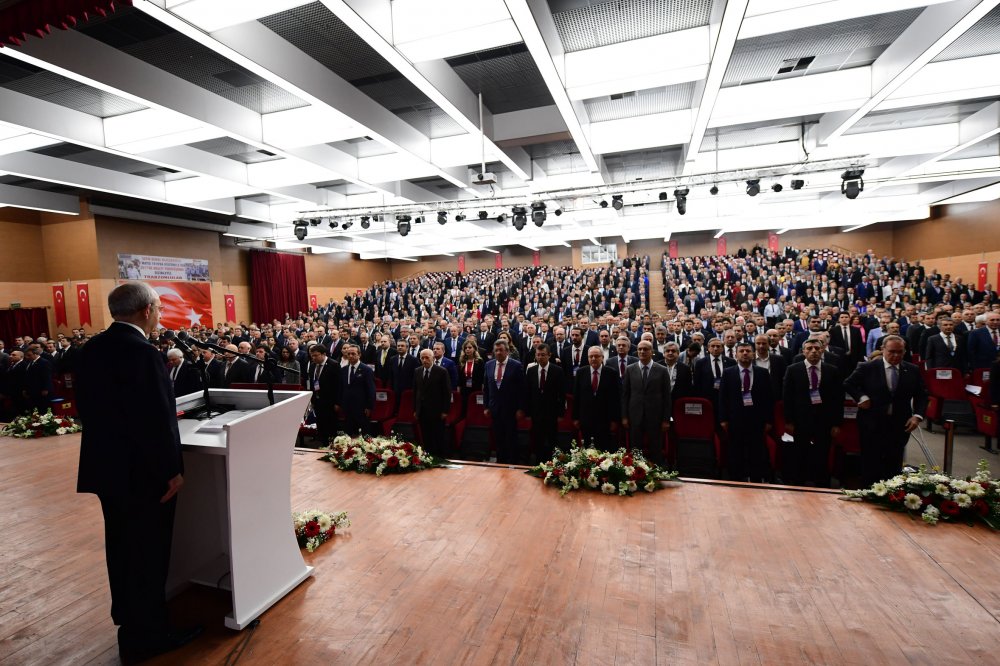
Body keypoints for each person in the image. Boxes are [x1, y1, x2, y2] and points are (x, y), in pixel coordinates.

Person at [75, 282, 202, 663]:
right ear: (146, 310)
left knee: (122, 549)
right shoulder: (143, 353)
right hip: (143, 476)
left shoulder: (90, 349)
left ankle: (129, 623)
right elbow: (155, 421)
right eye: (160, 308)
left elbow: (88, 408)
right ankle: (150, 634)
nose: (161, 314)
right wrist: (172, 470)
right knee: (148, 553)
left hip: (107, 470)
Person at [844, 335, 928, 486]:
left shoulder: (912, 370)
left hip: (899, 424)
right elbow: (849, 384)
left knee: (894, 463)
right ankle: (869, 492)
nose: (896, 355)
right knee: (871, 462)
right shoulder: (867, 367)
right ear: (882, 350)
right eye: (892, 351)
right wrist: (861, 397)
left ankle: (891, 494)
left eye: (900, 352)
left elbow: (922, 395)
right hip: (871, 423)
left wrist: (917, 416)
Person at [782, 339, 843, 487]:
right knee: (800, 453)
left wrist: (836, 423)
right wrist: (788, 421)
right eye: (809, 348)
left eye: (817, 348)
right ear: (803, 351)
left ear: (822, 350)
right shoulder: (793, 369)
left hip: (824, 420)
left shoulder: (832, 370)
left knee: (822, 453)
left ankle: (822, 483)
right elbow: (787, 397)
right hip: (800, 420)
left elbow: (838, 398)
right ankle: (799, 482)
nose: (814, 351)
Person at [719, 342, 774, 482]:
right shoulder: (728, 373)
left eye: (748, 351)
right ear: (736, 354)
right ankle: (736, 479)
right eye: (741, 351)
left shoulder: (762, 373)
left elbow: (768, 398)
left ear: (753, 354)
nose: (745, 353)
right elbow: (723, 398)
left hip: (757, 420)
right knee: (736, 451)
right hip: (735, 419)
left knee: (756, 452)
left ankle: (756, 479)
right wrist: (723, 419)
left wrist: (768, 420)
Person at [621, 341, 671, 465]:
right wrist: (624, 417)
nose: (642, 351)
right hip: (635, 415)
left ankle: (657, 474)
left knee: (655, 448)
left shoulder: (662, 370)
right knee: (635, 449)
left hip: (655, 416)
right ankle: (635, 475)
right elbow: (625, 395)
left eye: (645, 349)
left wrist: (666, 419)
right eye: (640, 349)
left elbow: (667, 397)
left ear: (652, 352)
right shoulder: (630, 369)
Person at [482, 340, 525, 463]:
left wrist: (521, 408)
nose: (498, 352)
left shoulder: (516, 365)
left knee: (511, 439)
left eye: (501, 350)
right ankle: (501, 463)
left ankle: (513, 464)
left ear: (507, 351)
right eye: (496, 350)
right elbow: (486, 388)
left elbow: (522, 389)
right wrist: (486, 407)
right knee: (498, 438)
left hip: (511, 409)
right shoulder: (489, 365)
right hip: (495, 409)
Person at [523, 344, 565, 463]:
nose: (540, 357)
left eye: (543, 355)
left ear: (549, 355)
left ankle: (553, 465)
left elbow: (561, 394)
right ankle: (539, 463)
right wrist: (527, 412)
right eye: (538, 355)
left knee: (552, 440)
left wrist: (561, 413)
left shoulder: (557, 370)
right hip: (536, 413)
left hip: (552, 412)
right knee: (537, 440)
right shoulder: (531, 370)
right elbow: (527, 392)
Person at [573, 346, 621, 450]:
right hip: (585, 418)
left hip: (605, 419)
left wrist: (614, 419)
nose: (593, 358)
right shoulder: (581, 372)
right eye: (591, 356)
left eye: (596, 356)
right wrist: (576, 417)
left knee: (604, 448)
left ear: (602, 357)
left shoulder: (611, 373)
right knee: (587, 448)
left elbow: (615, 398)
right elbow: (576, 396)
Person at [413, 349, 451, 456]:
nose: (424, 360)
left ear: (433, 358)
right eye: (422, 358)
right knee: (426, 436)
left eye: (427, 358)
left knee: (438, 436)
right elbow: (416, 392)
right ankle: (428, 457)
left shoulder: (442, 371)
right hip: (422, 411)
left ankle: (440, 457)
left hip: (437, 411)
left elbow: (447, 393)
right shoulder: (417, 371)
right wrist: (415, 409)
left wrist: (445, 411)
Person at [337, 344, 376, 436]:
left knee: (365, 434)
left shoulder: (366, 370)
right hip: (347, 406)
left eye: (353, 354)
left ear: (359, 355)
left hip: (362, 407)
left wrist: (369, 407)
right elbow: (341, 388)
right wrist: (339, 403)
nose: (350, 356)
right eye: (349, 354)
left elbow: (371, 390)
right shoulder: (343, 370)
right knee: (350, 433)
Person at [306, 344, 339, 442]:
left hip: (330, 401)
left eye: (316, 355)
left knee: (330, 426)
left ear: (324, 354)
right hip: (317, 401)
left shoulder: (334, 365)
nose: (313, 358)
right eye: (312, 355)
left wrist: (337, 402)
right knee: (320, 426)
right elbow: (312, 383)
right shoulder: (312, 366)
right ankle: (322, 444)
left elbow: (338, 385)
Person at [22, 344, 54, 414]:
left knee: (43, 409)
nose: (27, 357)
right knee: (35, 410)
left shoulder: (44, 362)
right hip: (32, 390)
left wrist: (45, 389)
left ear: (35, 354)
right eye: (27, 355)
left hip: (41, 390)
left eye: (29, 355)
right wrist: (25, 389)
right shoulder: (30, 363)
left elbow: (47, 376)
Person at [457, 339, 485, 415]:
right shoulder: (462, 361)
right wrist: (459, 389)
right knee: (465, 408)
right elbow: (460, 377)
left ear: (474, 349)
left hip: (476, 387)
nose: (467, 349)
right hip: (464, 389)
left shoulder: (479, 361)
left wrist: (482, 390)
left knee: (475, 408)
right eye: (465, 348)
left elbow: (482, 377)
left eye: (470, 347)